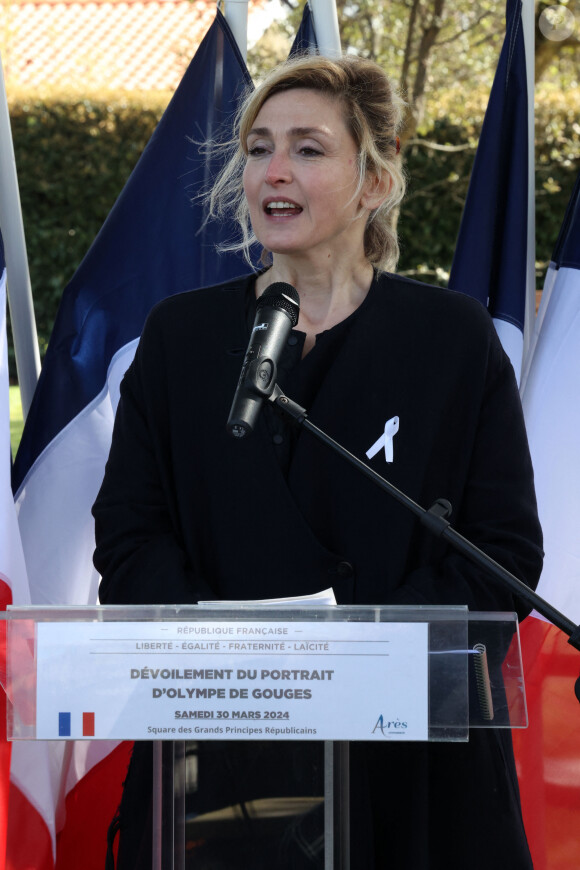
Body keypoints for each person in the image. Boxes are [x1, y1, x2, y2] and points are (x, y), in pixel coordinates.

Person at [93, 54, 543, 869]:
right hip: (227, 755)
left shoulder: (451, 341)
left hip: (411, 766)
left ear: (373, 181)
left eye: (307, 148)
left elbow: (503, 554)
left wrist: (355, 665)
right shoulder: (181, 339)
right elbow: (129, 537)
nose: (273, 170)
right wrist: (234, 662)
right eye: (258, 147)